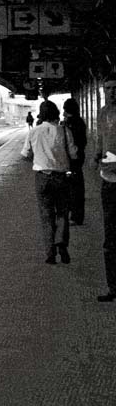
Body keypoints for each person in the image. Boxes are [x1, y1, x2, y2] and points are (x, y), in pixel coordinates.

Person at [21, 100, 77, 265]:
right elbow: (73, 154)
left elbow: (24, 155)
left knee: (46, 215)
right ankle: (61, 241)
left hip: (42, 177)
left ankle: (50, 253)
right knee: (62, 213)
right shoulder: (64, 131)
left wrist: (37, 157)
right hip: (61, 177)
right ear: (56, 113)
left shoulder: (34, 132)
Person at [95, 74, 116, 301]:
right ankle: (113, 287)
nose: (112, 92)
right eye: (108, 88)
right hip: (108, 181)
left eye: (115, 88)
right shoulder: (102, 112)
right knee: (110, 237)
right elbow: (101, 140)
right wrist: (97, 155)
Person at [62, 98, 87, 226]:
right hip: (79, 158)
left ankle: (75, 216)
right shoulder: (80, 122)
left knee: (73, 188)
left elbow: (67, 143)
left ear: (66, 110)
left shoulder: (69, 124)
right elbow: (84, 142)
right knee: (77, 187)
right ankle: (77, 215)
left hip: (72, 159)